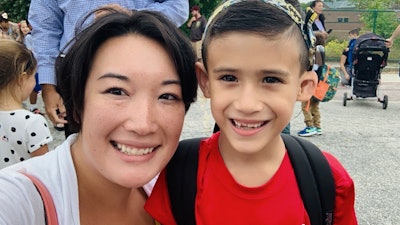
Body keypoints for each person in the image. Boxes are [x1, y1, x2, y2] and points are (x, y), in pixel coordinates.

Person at [145, 1, 358, 224]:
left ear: (303, 87)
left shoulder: (326, 179)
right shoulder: (178, 174)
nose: (247, 104)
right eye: (229, 78)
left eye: (271, 79)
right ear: (205, 82)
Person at [0, 9, 197, 224]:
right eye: (116, 91)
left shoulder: (182, 189)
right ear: (76, 102)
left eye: (167, 96)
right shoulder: (18, 200)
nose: (142, 124)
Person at [28, 0, 189, 134]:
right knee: (83, 146)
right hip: (76, 69)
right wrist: (48, 84)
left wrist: (131, 15)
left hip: (142, 61)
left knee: (142, 137)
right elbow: (45, 26)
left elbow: (178, 7)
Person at [0, 39, 52, 169]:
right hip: (24, 188)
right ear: (22, 79)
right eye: (33, 76)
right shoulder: (32, 122)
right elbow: (42, 170)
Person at [298, 32, 326, 137]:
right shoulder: (322, 49)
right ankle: (318, 126)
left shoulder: (317, 50)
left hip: (313, 81)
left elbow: (316, 66)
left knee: (306, 105)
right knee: (315, 105)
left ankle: (310, 126)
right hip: (319, 82)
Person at [17, 19, 44, 115]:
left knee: (41, 87)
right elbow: (31, 51)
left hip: (41, 64)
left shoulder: (37, 35)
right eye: (23, 27)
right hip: (35, 65)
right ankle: (33, 107)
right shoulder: (29, 37)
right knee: (35, 88)